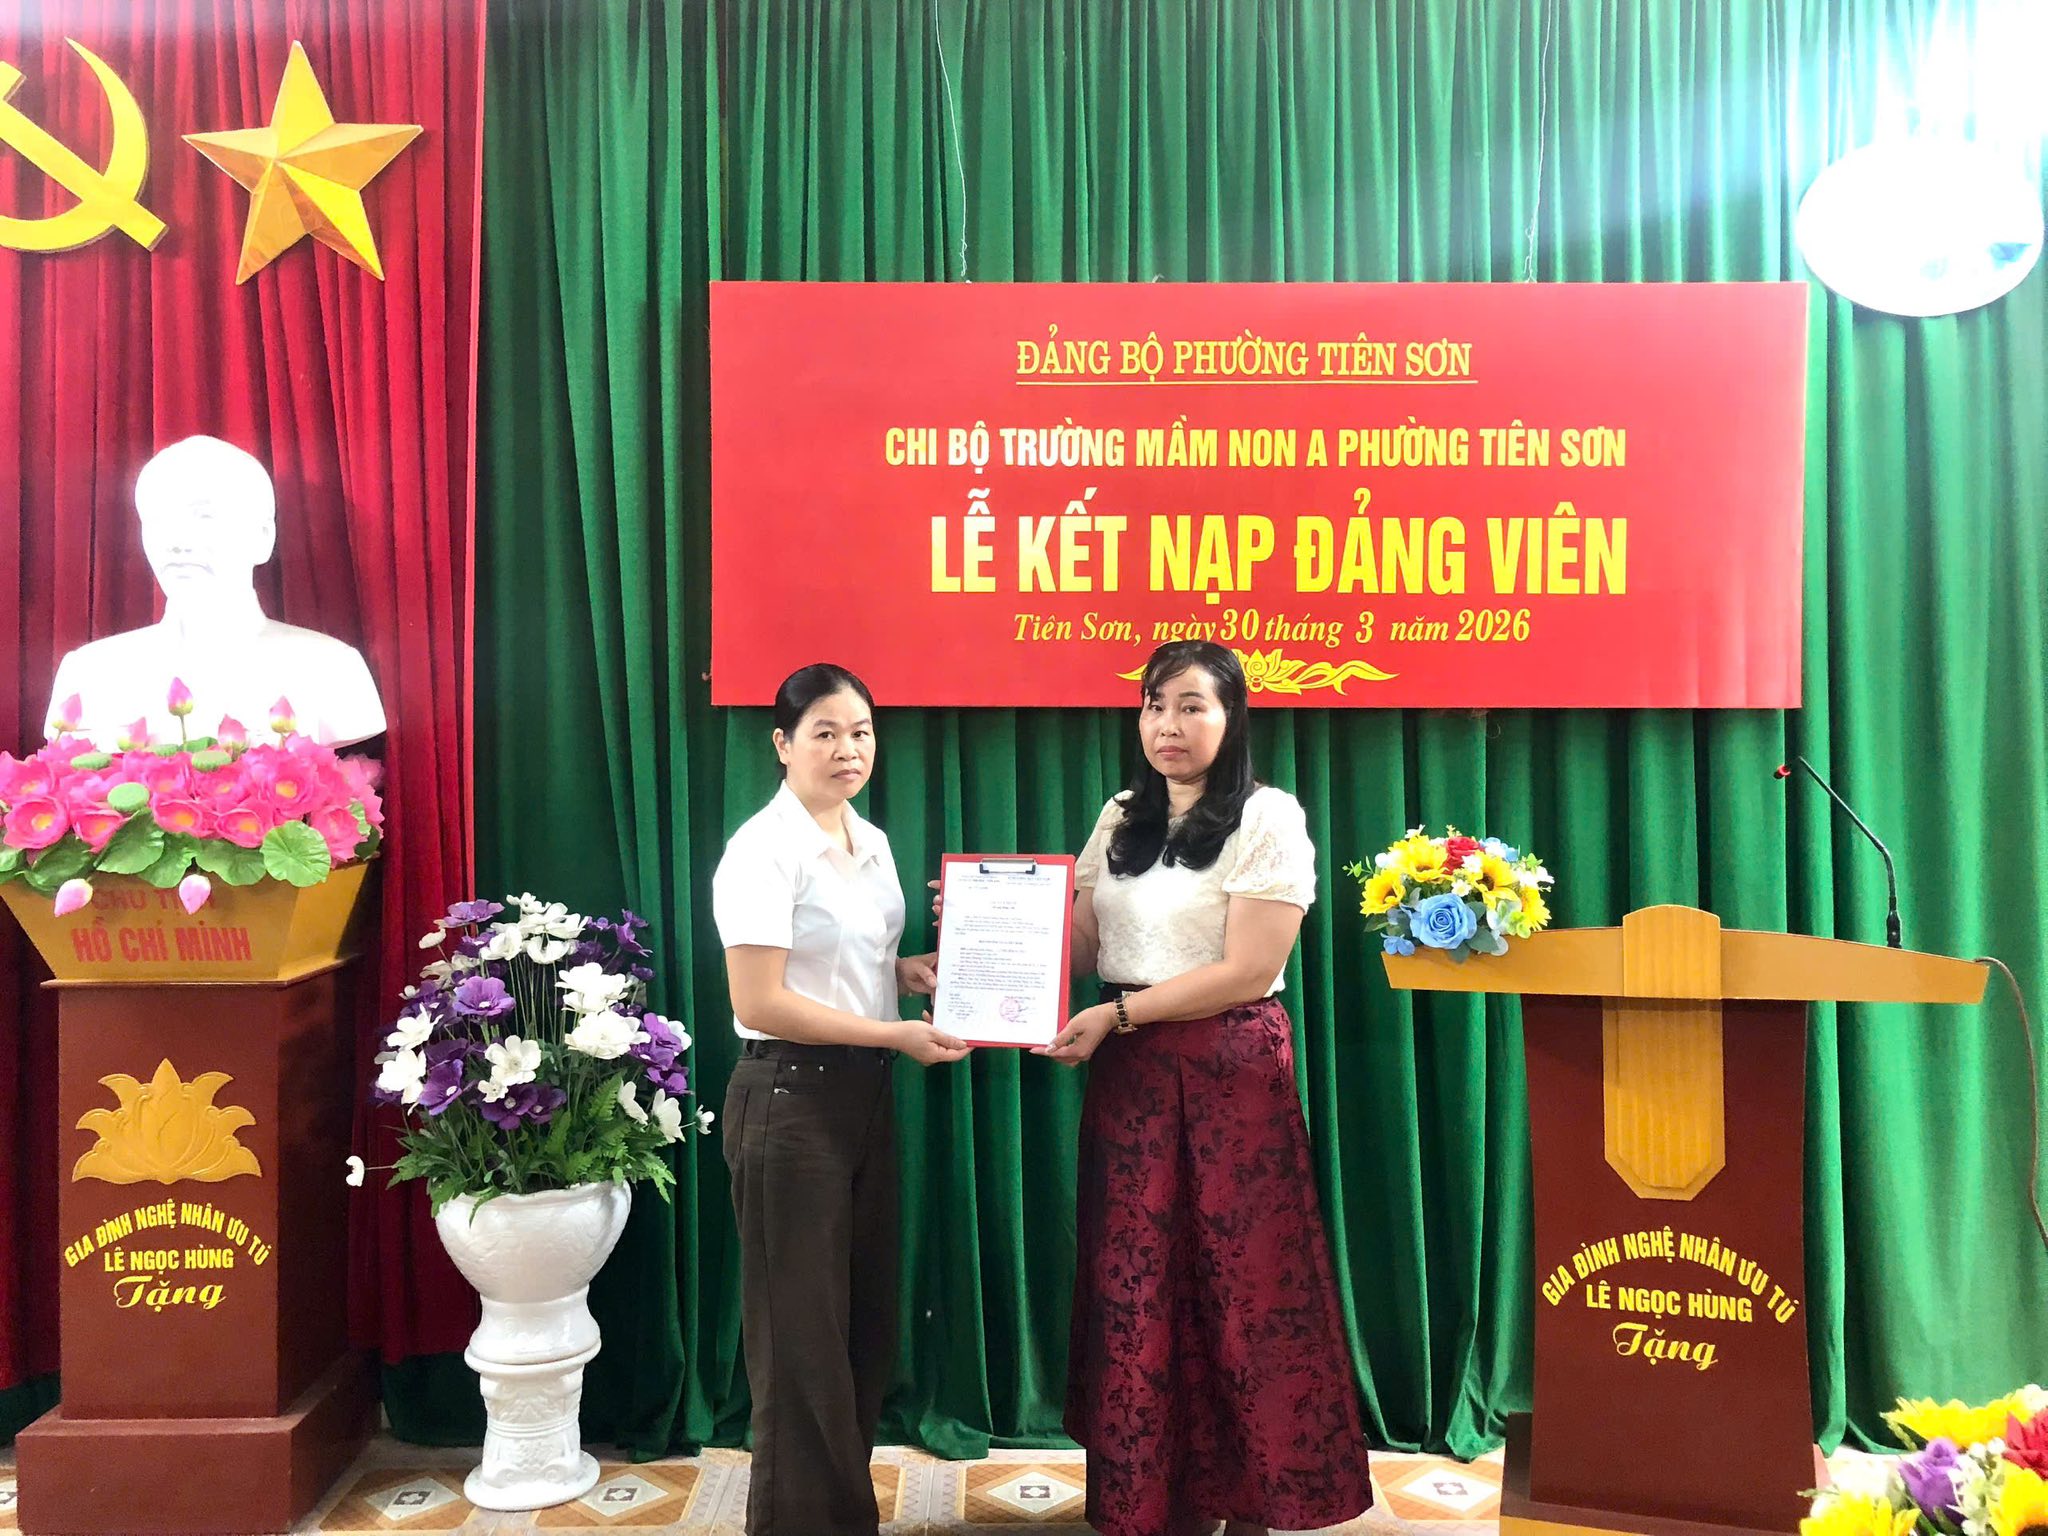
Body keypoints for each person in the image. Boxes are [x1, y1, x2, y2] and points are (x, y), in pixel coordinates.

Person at [1045, 639, 1373, 1536]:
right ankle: (1156, 1502)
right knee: (1141, 1283)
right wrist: (992, 928)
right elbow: (1084, 944)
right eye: (1155, 705)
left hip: (1232, 1075)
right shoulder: (1120, 815)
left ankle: (1253, 1503)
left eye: (1192, 706)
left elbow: (1247, 970)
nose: (1169, 725)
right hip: (1131, 1079)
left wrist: (1118, 1015)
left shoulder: (1269, 816)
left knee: (1243, 1287)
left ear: (1232, 718)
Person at [712, 662, 971, 1536]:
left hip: (862, 1098)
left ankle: (839, 1518)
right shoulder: (762, 849)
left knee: (860, 1327)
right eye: (824, 732)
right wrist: (894, 1033)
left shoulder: (873, 841)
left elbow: (849, 964)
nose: (847, 749)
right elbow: (760, 1001)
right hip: (788, 1098)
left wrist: (906, 974)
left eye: (860, 731)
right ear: (782, 744)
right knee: (799, 1342)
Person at [48, 435, 385, 747]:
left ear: (263, 537)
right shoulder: (90, 672)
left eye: (204, 517)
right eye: (158, 520)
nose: (176, 542)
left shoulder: (330, 669)